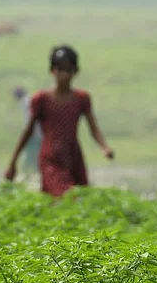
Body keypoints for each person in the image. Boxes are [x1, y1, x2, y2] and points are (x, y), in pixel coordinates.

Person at [6, 45, 114, 197]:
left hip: (73, 156)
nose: (64, 75)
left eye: (69, 70)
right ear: (52, 71)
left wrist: (104, 147)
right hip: (51, 158)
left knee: (81, 199)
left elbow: (93, 128)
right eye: (60, 69)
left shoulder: (82, 99)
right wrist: (13, 163)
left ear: (75, 72)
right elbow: (28, 131)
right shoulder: (41, 99)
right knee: (67, 197)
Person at [12, 85, 41, 177]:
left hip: (33, 133)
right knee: (33, 151)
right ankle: (32, 169)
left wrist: (28, 131)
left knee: (31, 152)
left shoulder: (25, 102)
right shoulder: (29, 100)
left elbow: (30, 118)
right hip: (38, 132)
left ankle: (28, 170)